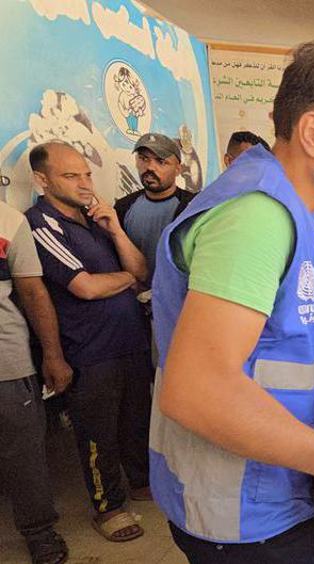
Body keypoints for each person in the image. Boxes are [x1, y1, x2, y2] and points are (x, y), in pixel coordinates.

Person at [148, 38, 314, 563]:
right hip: (241, 508)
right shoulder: (257, 217)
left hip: (276, 485)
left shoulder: (303, 209)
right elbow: (196, 388)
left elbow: (300, 326)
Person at [25, 142, 152, 543]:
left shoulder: (95, 218)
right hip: (89, 350)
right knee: (98, 433)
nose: (84, 183)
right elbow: (85, 288)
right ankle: (108, 506)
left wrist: (114, 228)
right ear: (42, 180)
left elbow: (141, 268)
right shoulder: (41, 224)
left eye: (86, 174)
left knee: (136, 421)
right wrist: (129, 281)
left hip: (129, 341)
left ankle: (140, 482)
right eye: (71, 175)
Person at [0, 200, 72, 564]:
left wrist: (53, 355)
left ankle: (40, 533)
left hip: (7, 363)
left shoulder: (8, 220)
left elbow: (32, 292)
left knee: (24, 455)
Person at [114, 133, 195, 278]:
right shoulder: (122, 207)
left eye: (161, 161)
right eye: (144, 159)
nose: (150, 167)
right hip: (136, 296)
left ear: (178, 169)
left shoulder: (193, 206)